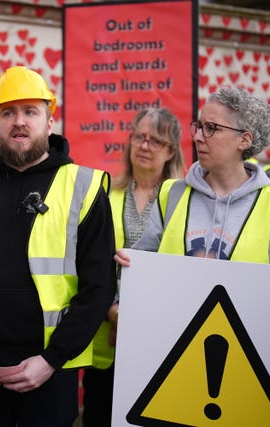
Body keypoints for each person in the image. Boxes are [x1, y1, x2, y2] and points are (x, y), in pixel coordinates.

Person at [0, 66, 116, 427]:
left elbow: (99, 288)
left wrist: (51, 360)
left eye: (30, 111)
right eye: (8, 112)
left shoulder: (84, 187)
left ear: (49, 121)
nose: (19, 121)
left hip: (49, 374)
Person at [128, 86, 270, 266]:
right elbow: (142, 267)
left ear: (244, 140)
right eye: (199, 126)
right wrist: (128, 264)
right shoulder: (172, 194)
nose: (197, 137)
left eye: (211, 128)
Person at [82, 107, 185, 427]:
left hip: (161, 341)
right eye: (139, 136)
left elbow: (182, 269)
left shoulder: (184, 201)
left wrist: (139, 318)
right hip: (105, 339)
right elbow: (87, 262)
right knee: (99, 414)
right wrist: (114, 312)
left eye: (156, 140)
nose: (145, 145)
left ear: (171, 151)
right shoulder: (105, 195)